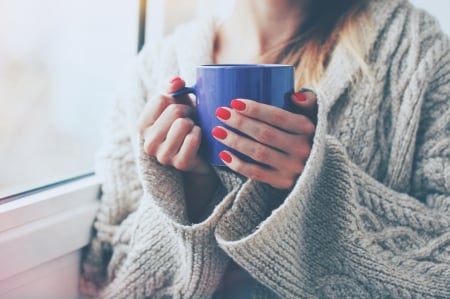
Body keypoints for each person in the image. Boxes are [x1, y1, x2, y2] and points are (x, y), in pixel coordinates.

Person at [80, 0, 450, 297]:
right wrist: (186, 193)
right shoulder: (149, 73)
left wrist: (320, 188)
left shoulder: (417, 50)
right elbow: (105, 273)